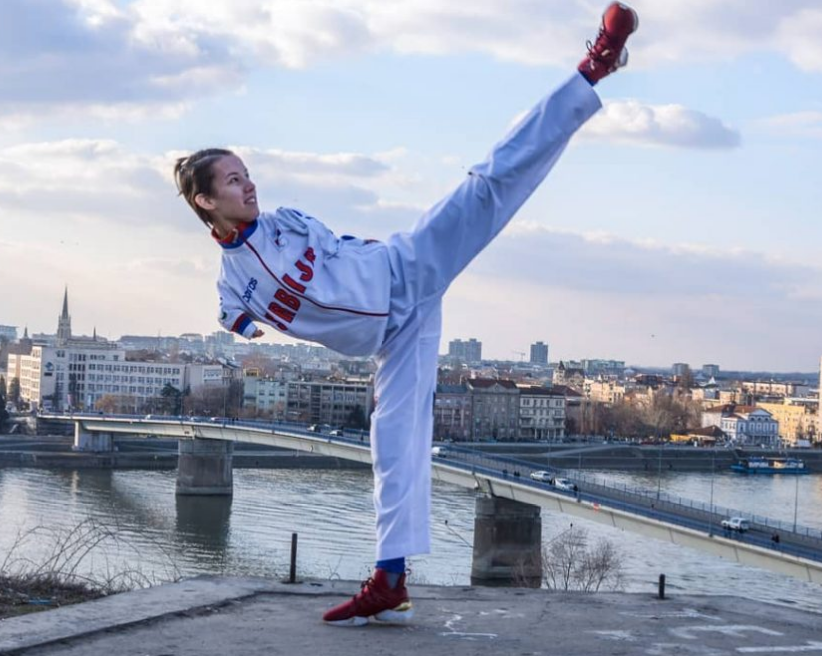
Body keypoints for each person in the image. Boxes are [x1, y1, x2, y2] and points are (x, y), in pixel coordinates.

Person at [173, 2, 638, 627]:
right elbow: (242, 329)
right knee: (393, 443)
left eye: (247, 174)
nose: (249, 185)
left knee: (487, 184)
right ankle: (390, 582)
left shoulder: (288, 222)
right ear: (205, 201)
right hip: (394, 334)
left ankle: (593, 68)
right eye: (233, 181)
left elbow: (341, 252)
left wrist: (375, 264)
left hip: (404, 270)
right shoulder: (232, 292)